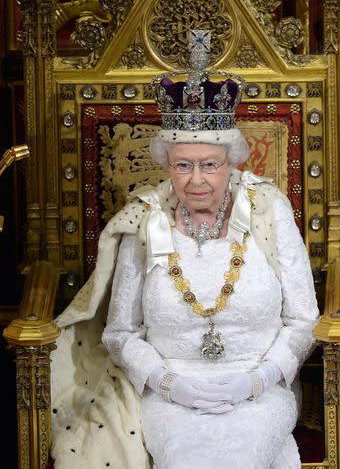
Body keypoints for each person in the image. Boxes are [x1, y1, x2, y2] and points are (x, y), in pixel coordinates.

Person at [49, 30, 318, 468]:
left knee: (244, 454)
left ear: (232, 162)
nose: (196, 180)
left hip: (258, 392)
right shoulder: (145, 220)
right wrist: (169, 383)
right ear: (167, 165)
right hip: (171, 397)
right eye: (183, 165)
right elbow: (120, 333)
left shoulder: (269, 210)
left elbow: (304, 318)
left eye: (209, 165)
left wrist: (256, 381)